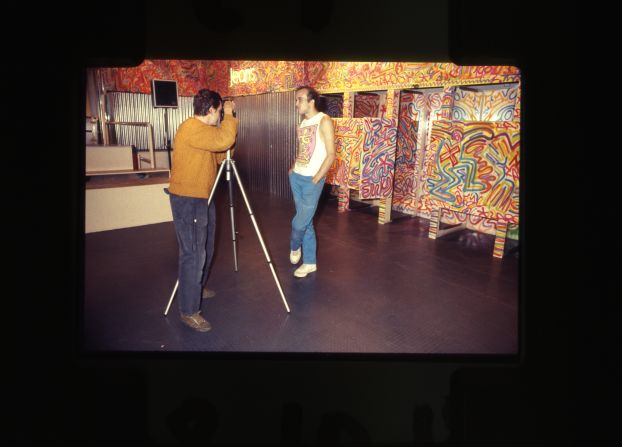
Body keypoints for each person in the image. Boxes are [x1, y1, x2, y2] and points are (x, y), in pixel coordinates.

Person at [166, 89, 238, 332]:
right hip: (188, 199)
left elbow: (220, 153)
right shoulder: (191, 127)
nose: (221, 115)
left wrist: (228, 135)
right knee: (193, 254)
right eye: (219, 111)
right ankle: (188, 310)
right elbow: (223, 140)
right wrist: (230, 117)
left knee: (206, 248)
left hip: (202, 197)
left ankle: (195, 287)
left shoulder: (204, 132)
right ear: (211, 110)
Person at [288, 86, 336, 278]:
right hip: (297, 177)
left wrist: (317, 177)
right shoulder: (302, 123)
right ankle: (309, 263)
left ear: (311, 101)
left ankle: (294, 246)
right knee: (306, 222)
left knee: (299, 223)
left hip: (311, 180)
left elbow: (331, 154)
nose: (296, 103)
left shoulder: (324, 120)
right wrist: (293, 168)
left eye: (299, 99)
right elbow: (303, 150)